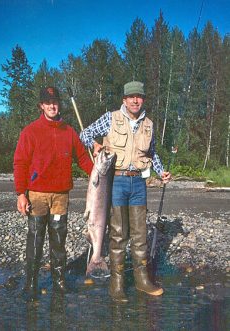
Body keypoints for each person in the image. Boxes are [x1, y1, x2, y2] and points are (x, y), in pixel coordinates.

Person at [80, 81, 171, 303]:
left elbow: (153, 153)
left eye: (139, 96)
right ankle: (117, 284)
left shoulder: (148, 124)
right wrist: (95, 145)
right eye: (131, 97)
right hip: (116, 181)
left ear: (143, 99)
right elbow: (84, 134)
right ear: (124, 99)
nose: (135, 100)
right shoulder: (110, 118)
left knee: (140, 234)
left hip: (139, 182)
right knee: (119, 234)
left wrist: (161, 171)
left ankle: (142, 280)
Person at [14, 86, 93, 299]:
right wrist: (21, 193)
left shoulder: (69, 131)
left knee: (59, 240)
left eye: (55, 102)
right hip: (37, 194)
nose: (52, 105)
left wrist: (99, 173)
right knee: (36, 238)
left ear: (59, 104)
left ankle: (59, 284)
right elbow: (20, 163)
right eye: (47, 102)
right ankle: (30, 285)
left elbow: (83, 159)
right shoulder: (30, 131)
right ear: (41, 105)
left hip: (61, 196)